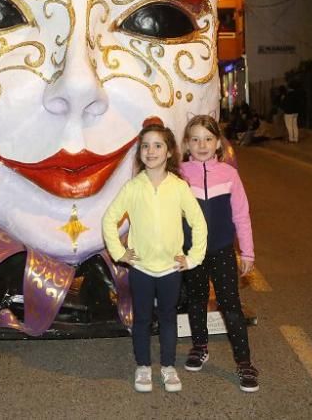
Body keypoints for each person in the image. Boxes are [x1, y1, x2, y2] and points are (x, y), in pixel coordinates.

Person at [102, 122, 208, 393]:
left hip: (171, 268)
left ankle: (169, 367)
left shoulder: (179, 187)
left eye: (158, 145)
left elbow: (198, 223)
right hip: (142, 269)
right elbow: (109, 220)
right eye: (145, 146)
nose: (151, 151)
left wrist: (193, 257)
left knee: (169, 318)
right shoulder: (133, 187)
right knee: (142, 319)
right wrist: (120, 253)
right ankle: (143, 366)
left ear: (169, 152)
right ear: (140, 153)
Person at [180, 115, 259, 393]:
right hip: (192, 253)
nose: (202, 144)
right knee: (196, 300)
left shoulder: (229, 174)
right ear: (187, 144)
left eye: (208, 139)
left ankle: (244, 362)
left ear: (218, 144)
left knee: (231, 306)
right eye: (196, 139)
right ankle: (200, 346)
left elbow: (241, 214)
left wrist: (247, 252)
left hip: (223, 250)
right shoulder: (179, 175)